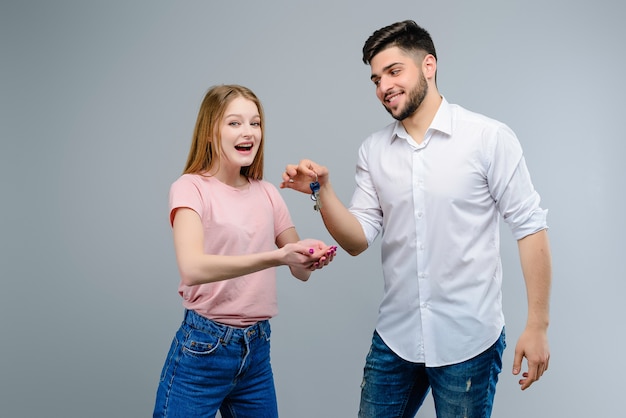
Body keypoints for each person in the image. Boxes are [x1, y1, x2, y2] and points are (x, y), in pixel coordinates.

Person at [281, 20, 552, 418]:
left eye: (394, 71)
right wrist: (322, 192)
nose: (383, 87)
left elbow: (530, 229)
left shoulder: (488, 138)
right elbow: (357, 240)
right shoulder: (373, 151)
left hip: (469, 340)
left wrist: (538, 325)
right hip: (397, 337)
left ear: (428, 65)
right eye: (375, 79)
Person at [153, 84, 337, 418]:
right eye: (235, 123)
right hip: (203, 348)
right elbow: (192, 268)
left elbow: (299, 269)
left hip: (255, 351)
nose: (248, 132)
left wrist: (312, 254)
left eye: (255, 123)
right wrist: (277, 257)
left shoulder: (267, 193)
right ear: (211, 132)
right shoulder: (190, 188)